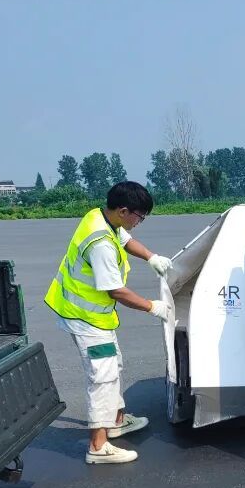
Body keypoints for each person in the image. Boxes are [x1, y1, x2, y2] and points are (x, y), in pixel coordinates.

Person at [44, 181, 174, 465]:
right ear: (123, 211)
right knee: (102, 376)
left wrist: (151, 257)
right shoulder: (101, 243)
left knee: (115, 365)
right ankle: (98, 446)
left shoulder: (102, 217)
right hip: (85, 318)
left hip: (96, 316)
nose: (139, 222)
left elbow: (125, 240)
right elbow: (116, 291)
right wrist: (152, 307)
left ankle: (115, 421)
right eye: (139, 217)